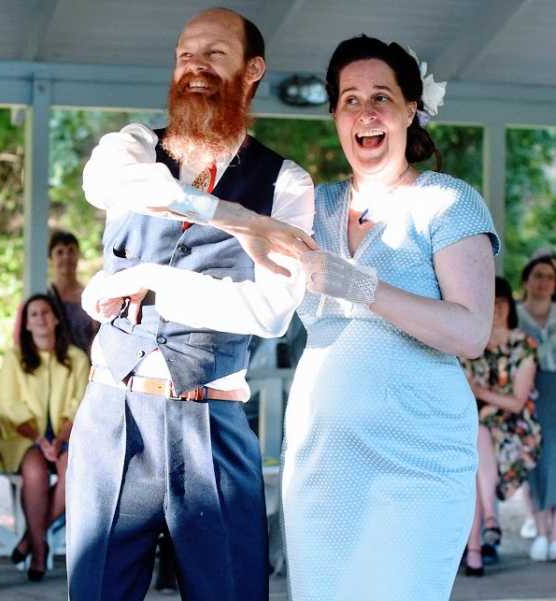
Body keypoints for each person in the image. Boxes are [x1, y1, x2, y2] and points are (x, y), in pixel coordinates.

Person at [84, 34, 499, 601]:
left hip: (417, 455)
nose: (365, 112)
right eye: (349, 100)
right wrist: (127, 284)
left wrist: (359, 286)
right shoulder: (315, 204)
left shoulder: (448, 202)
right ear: (335, 115)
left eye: (381, 97)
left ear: (410, 109)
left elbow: (471, 332)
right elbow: (243, 281)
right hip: (321, 453)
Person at [66, 8, 316, 600]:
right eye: (185, 55)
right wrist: (231, 217)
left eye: (215, 54)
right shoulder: (131, 147)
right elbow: (106, 186)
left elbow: (270, 311)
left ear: (253, 70)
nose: (195, 67)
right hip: (113, 413)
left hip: (213, 419)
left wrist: (151, 279)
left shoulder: (287, 183)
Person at [0, 294, 89, 582]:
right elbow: (9, 405)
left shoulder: (76, 358)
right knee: (34, 471)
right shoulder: (15, 357)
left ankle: (32, 539)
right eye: (33, 314)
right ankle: (37, 550)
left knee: (73, 467)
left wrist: (57, 441)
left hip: (66, 435)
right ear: (26, 324)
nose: (41, 318)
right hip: (22, 434)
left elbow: (80, 404)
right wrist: (39, 439)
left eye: (46, 312)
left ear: (57, 318)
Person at [461, 277, 540, 575]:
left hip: (515, 432)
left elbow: (517, 402)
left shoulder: (523, 344)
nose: (494, 310)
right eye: (490, 303)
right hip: (478, 429)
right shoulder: (470, 343)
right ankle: (483, 537)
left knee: (476, 447)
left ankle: (476, 548)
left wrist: (481, 394)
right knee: (475, 447)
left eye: (501, 304)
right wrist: (488, 400)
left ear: (510, 306)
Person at [518, 255, 556, 560]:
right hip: (526, 395)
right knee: (535, 459)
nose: (544, 282)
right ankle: (541, 528)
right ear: (526, 280)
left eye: (550, 277)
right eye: (538, 275)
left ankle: (553, 533)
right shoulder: (514, 317)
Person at [46, 231, 98, 355]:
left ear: (78, 255)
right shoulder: (43, 298)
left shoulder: (90, 296)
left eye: (71, 251)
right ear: (50, 258)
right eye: (60, 252)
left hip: (83, 367)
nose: (66, 257)